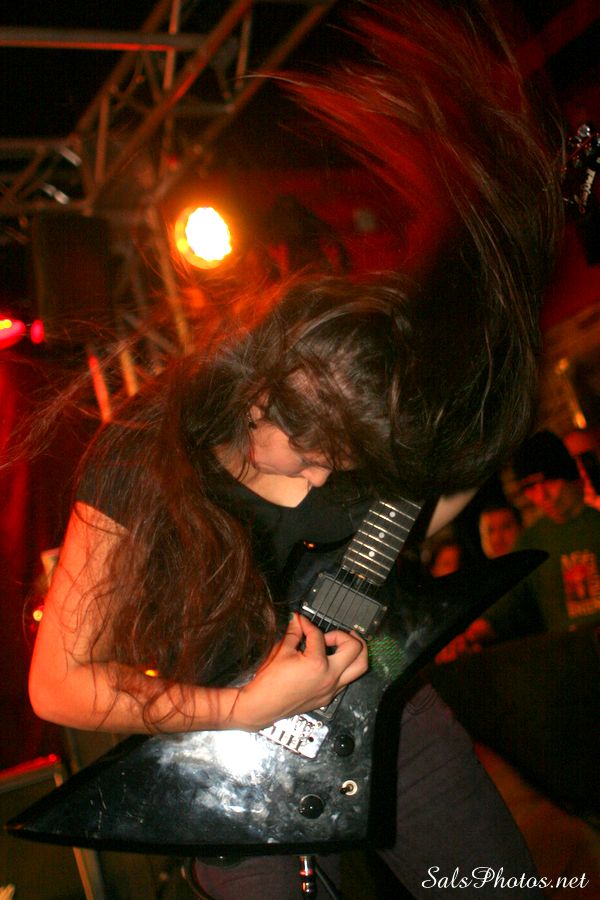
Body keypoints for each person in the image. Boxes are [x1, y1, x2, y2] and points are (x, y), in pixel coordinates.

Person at [26, 1, 564, 896]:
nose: (324, 477)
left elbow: (421, 508)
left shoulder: (357, 415)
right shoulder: (138, 457)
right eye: (309, 451)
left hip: (389, 718)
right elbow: (58, 686)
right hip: (233, 770)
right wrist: (245, 706)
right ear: (256, 393)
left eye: (345, 461)